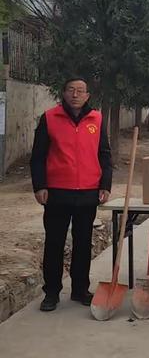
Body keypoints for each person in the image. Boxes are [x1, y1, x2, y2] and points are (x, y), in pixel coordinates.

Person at [30, 78, 112, 312]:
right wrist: (40, 186)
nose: (75, 95)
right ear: (64, 93)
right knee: (54, 243)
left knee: (83, 243)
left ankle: (79, 289)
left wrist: (105, 184)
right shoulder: (49, 118)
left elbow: (105, 155)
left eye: (80, 91)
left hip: (88, 192)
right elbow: (38, 157)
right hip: (57, 192)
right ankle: (52, 293)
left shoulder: (96, 119)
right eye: (71, 90)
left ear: (87, 95)